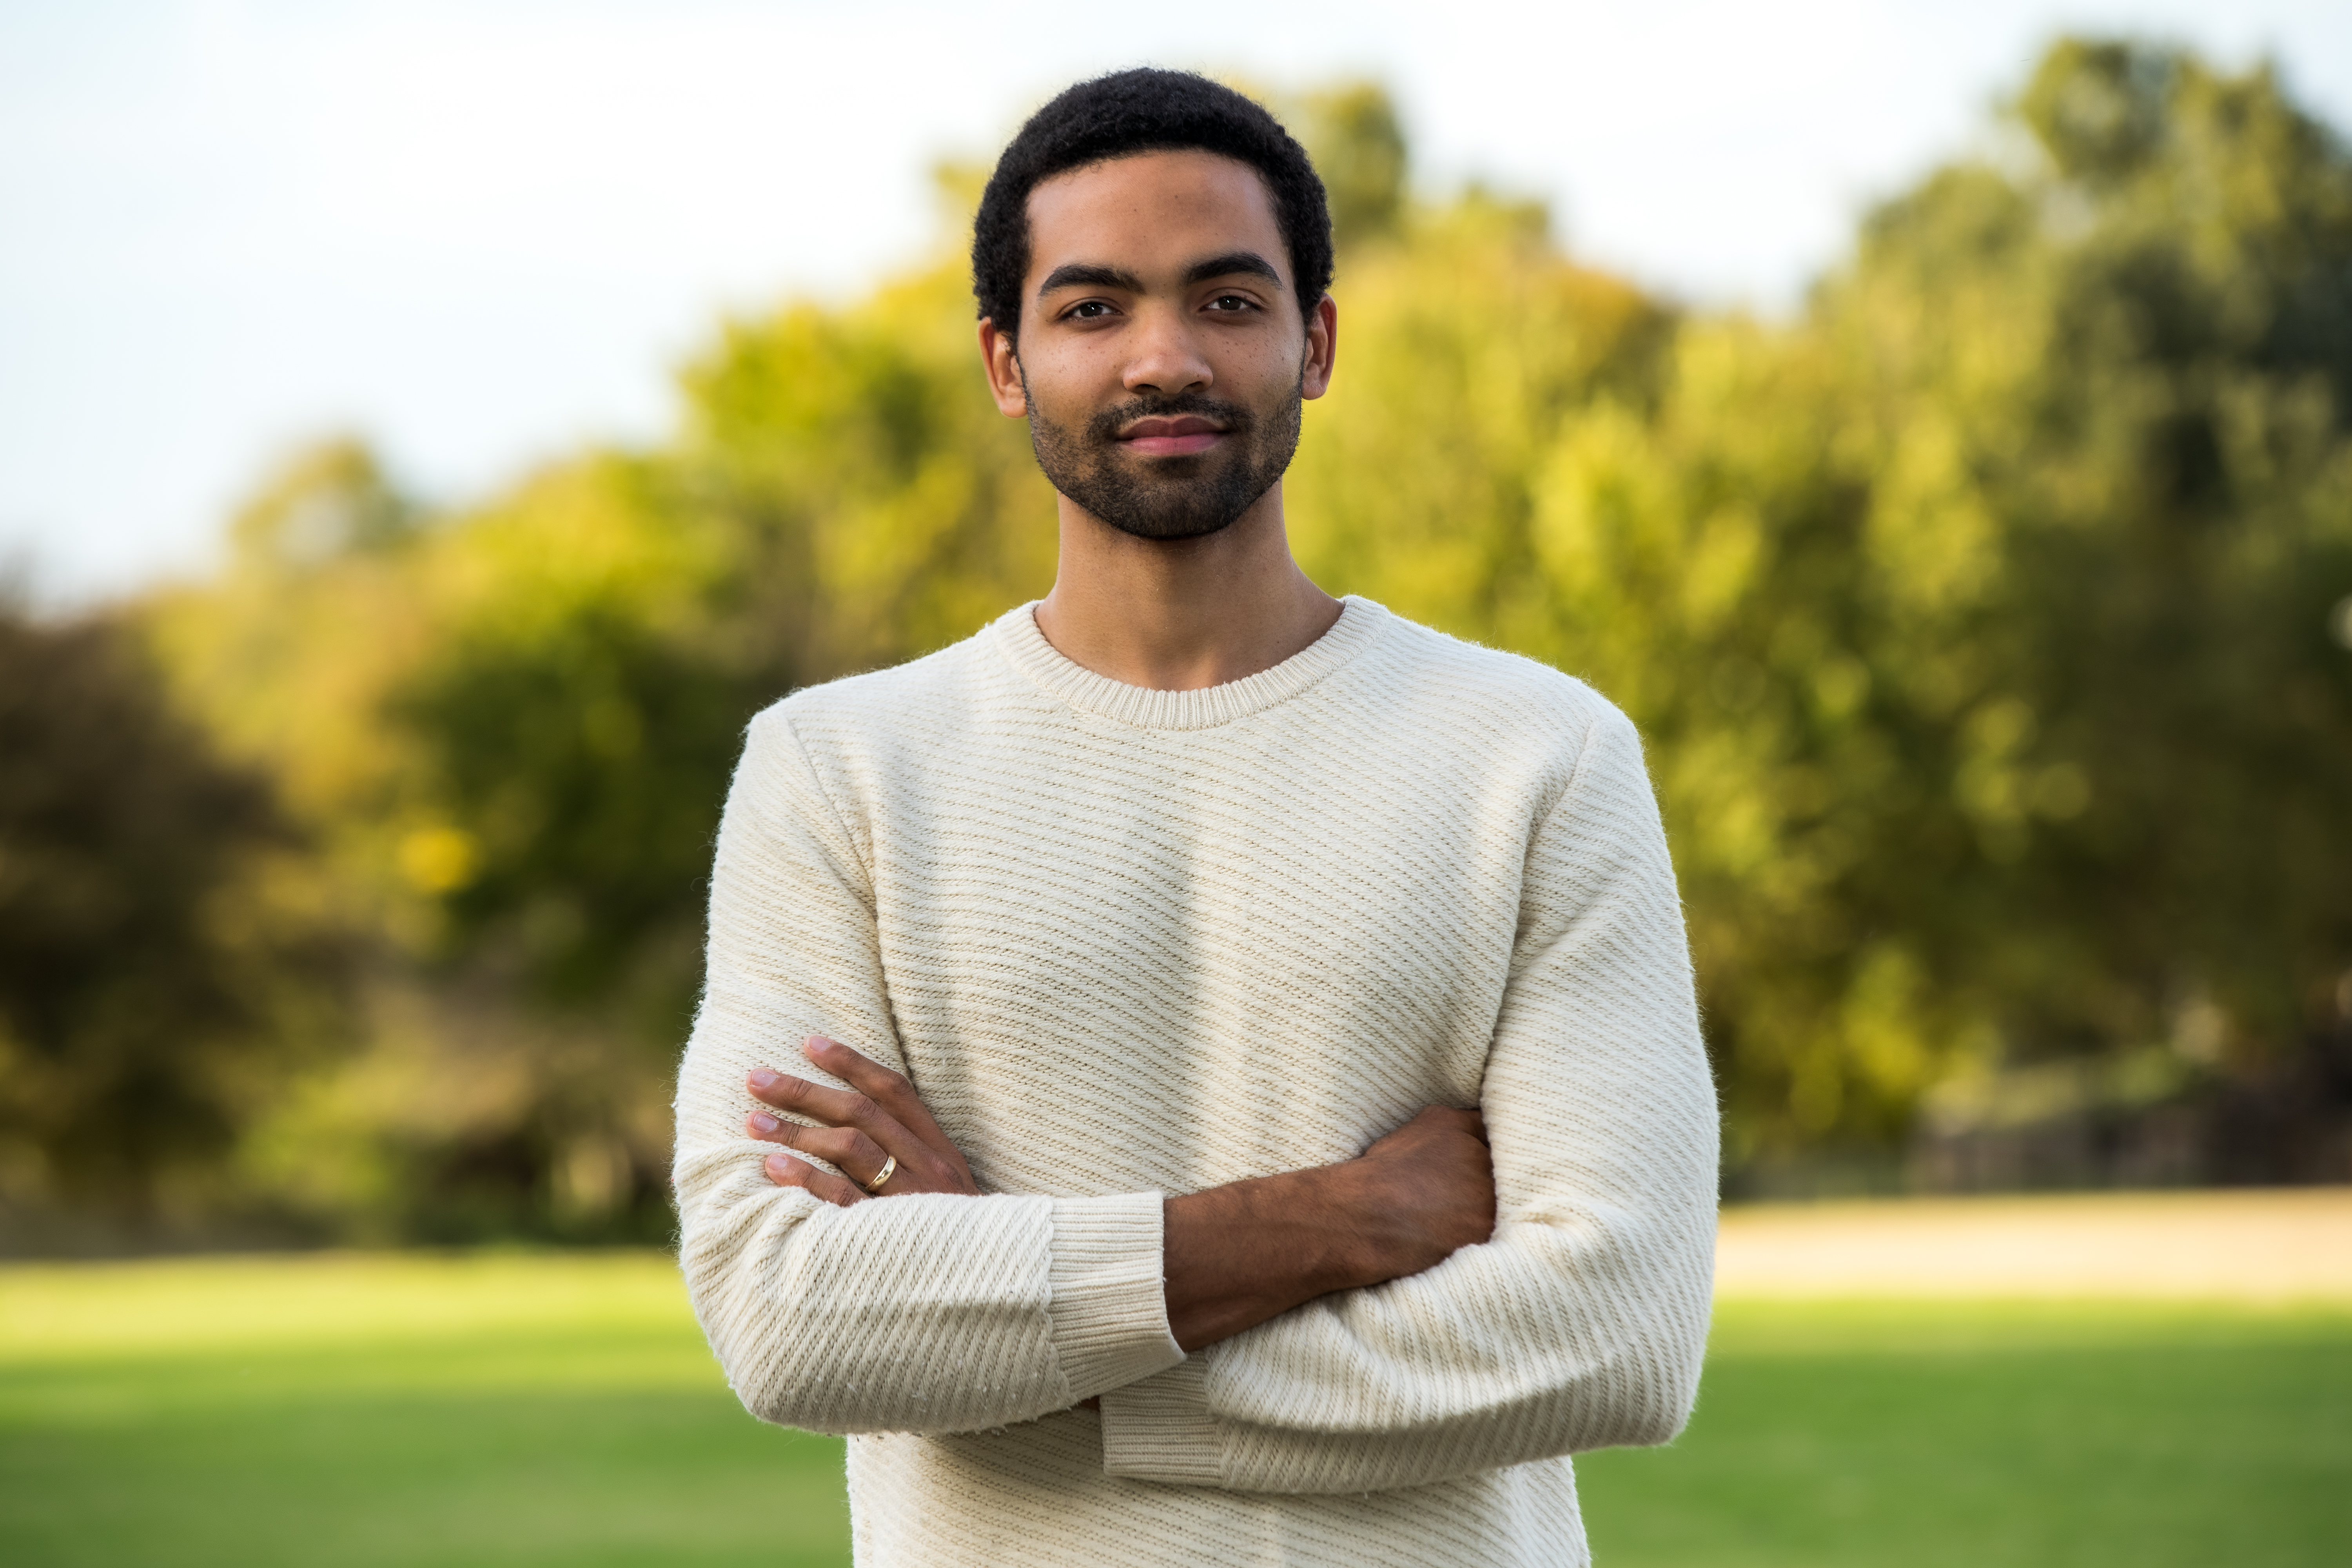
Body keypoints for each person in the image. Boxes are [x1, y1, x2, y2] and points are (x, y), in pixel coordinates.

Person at [673, 67, 1719, 1568]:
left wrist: (1025, 1328)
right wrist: (1339, 1222)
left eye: (1227, 300)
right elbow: (786, 1320)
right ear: (1005, 360)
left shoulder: (1537, 754)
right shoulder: (836, 770)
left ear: (1318, 341)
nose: (1164, 357)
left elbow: (1615, 1333)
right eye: (1093, 308)